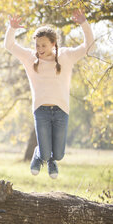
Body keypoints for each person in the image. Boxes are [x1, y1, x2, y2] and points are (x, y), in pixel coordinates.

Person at [5, 9, 94, 179]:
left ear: (53, 44)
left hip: (61, 111)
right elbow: (9, 46)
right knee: (45, 154)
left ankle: (52, 160)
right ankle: (40, 154)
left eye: (44, 45)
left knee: (59, 154)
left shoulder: (66, 56)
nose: (39, 49)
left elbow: (88, 47)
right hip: (41, 111)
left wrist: (84, 24)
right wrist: (12, 29)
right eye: (37, 45)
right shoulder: (30, 58)